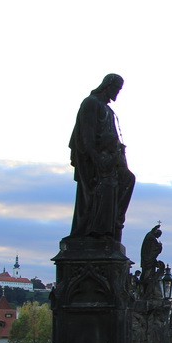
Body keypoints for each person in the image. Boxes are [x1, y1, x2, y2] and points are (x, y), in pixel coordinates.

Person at [68, 73, 135, 241]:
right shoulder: (91, 103)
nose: (117, 92)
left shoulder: (108, 109)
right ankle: (98, 230)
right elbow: (86, 134)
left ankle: (114, 223)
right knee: (106, 187)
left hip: (111, 158)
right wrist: (95, 156)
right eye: (116, 88)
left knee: (128, 179)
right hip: (95, 159)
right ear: (107, 86)